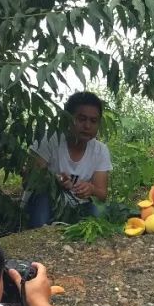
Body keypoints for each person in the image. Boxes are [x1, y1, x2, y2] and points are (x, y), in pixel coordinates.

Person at [24, 91, 112, 228]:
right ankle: (38, 237)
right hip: (48, 203)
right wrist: (55, 181)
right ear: (67, 119)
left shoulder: (100, 150)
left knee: (98, 212)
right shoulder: (49, 140)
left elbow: (102, 194)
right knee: (42, 200)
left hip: (79, 206)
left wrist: (91, 189)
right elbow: (29, 181)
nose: (87, 126)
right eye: (82, 119)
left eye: (93, 121)